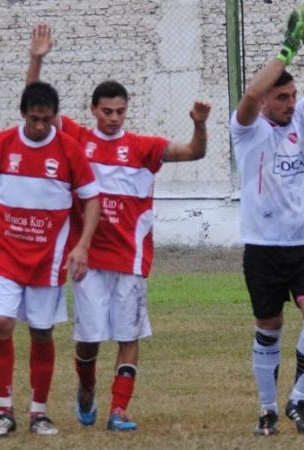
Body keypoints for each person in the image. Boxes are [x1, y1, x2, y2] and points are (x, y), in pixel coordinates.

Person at [25, 23, 211, 430]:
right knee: (89, 339)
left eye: (120, 112)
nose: (113, 118)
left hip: (130, 257)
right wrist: (37, 60)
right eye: (106, 111)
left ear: (127, 111)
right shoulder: (74, 139)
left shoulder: (143, 147)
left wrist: (199, 124)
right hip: (88, 257)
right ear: (93, 111)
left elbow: (196, 152)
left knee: (129, 336)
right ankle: (87, 389)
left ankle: (119, 410)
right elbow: (35, 107)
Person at [0, 81, 100, 437]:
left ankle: (39, 413)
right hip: (5, 255)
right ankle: (3, 410)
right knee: (1, 324)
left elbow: (92, 200)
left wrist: (83, 244)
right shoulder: (0, 144)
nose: (40, 126)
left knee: (42, 332)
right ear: (23, 114)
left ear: (54, 116)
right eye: (34, 119)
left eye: (46, 119)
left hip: (49, 257)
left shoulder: (70, 150)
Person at [230, 6, 304, 436]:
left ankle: (299, 400)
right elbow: (251, 97)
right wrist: (286, 49)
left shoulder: (303, 122)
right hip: (263, 247)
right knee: (269, 327)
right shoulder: (247, 130)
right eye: (283, 98)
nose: (291, 105)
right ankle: (267, 408)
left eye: (293, 97)